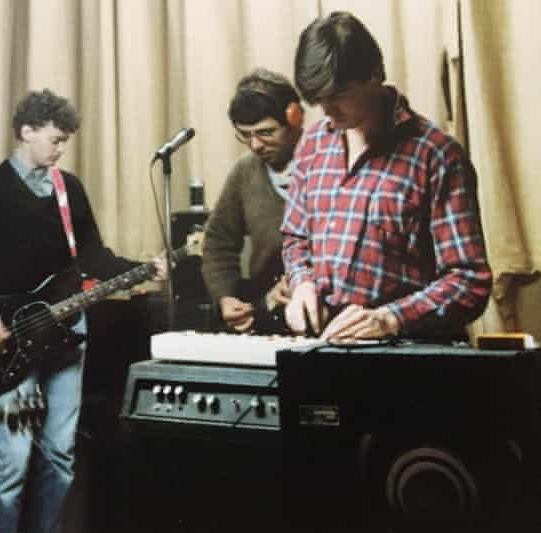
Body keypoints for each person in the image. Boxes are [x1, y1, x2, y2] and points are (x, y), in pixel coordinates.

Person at [0, 88, 165, 533]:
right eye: (55, 139)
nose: (61, 148)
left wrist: (143, 267)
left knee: (60, 457)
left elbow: (94, 257)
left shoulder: (69, 189)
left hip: (69, 335)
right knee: (12, 462)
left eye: (65, 141)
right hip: (13, 337)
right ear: (26, 131)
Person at [282, 11, 492, 341]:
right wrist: (301, 283)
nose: (327, 110)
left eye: (338, 95)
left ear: (375, 74)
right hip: (322, 351)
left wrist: (390, 319)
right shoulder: (312, 144)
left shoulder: (435, 154)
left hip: (408, 359)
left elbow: (469, 280)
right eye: (318, 100)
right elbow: (295, 239)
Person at [200, 69, 303, 334]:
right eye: (245, 135)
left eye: (266, 132)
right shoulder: (244, 172)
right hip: (266, 317)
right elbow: (217, 242)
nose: (255, 145)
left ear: (295, 119)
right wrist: (226, 297)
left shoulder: (329, 163)